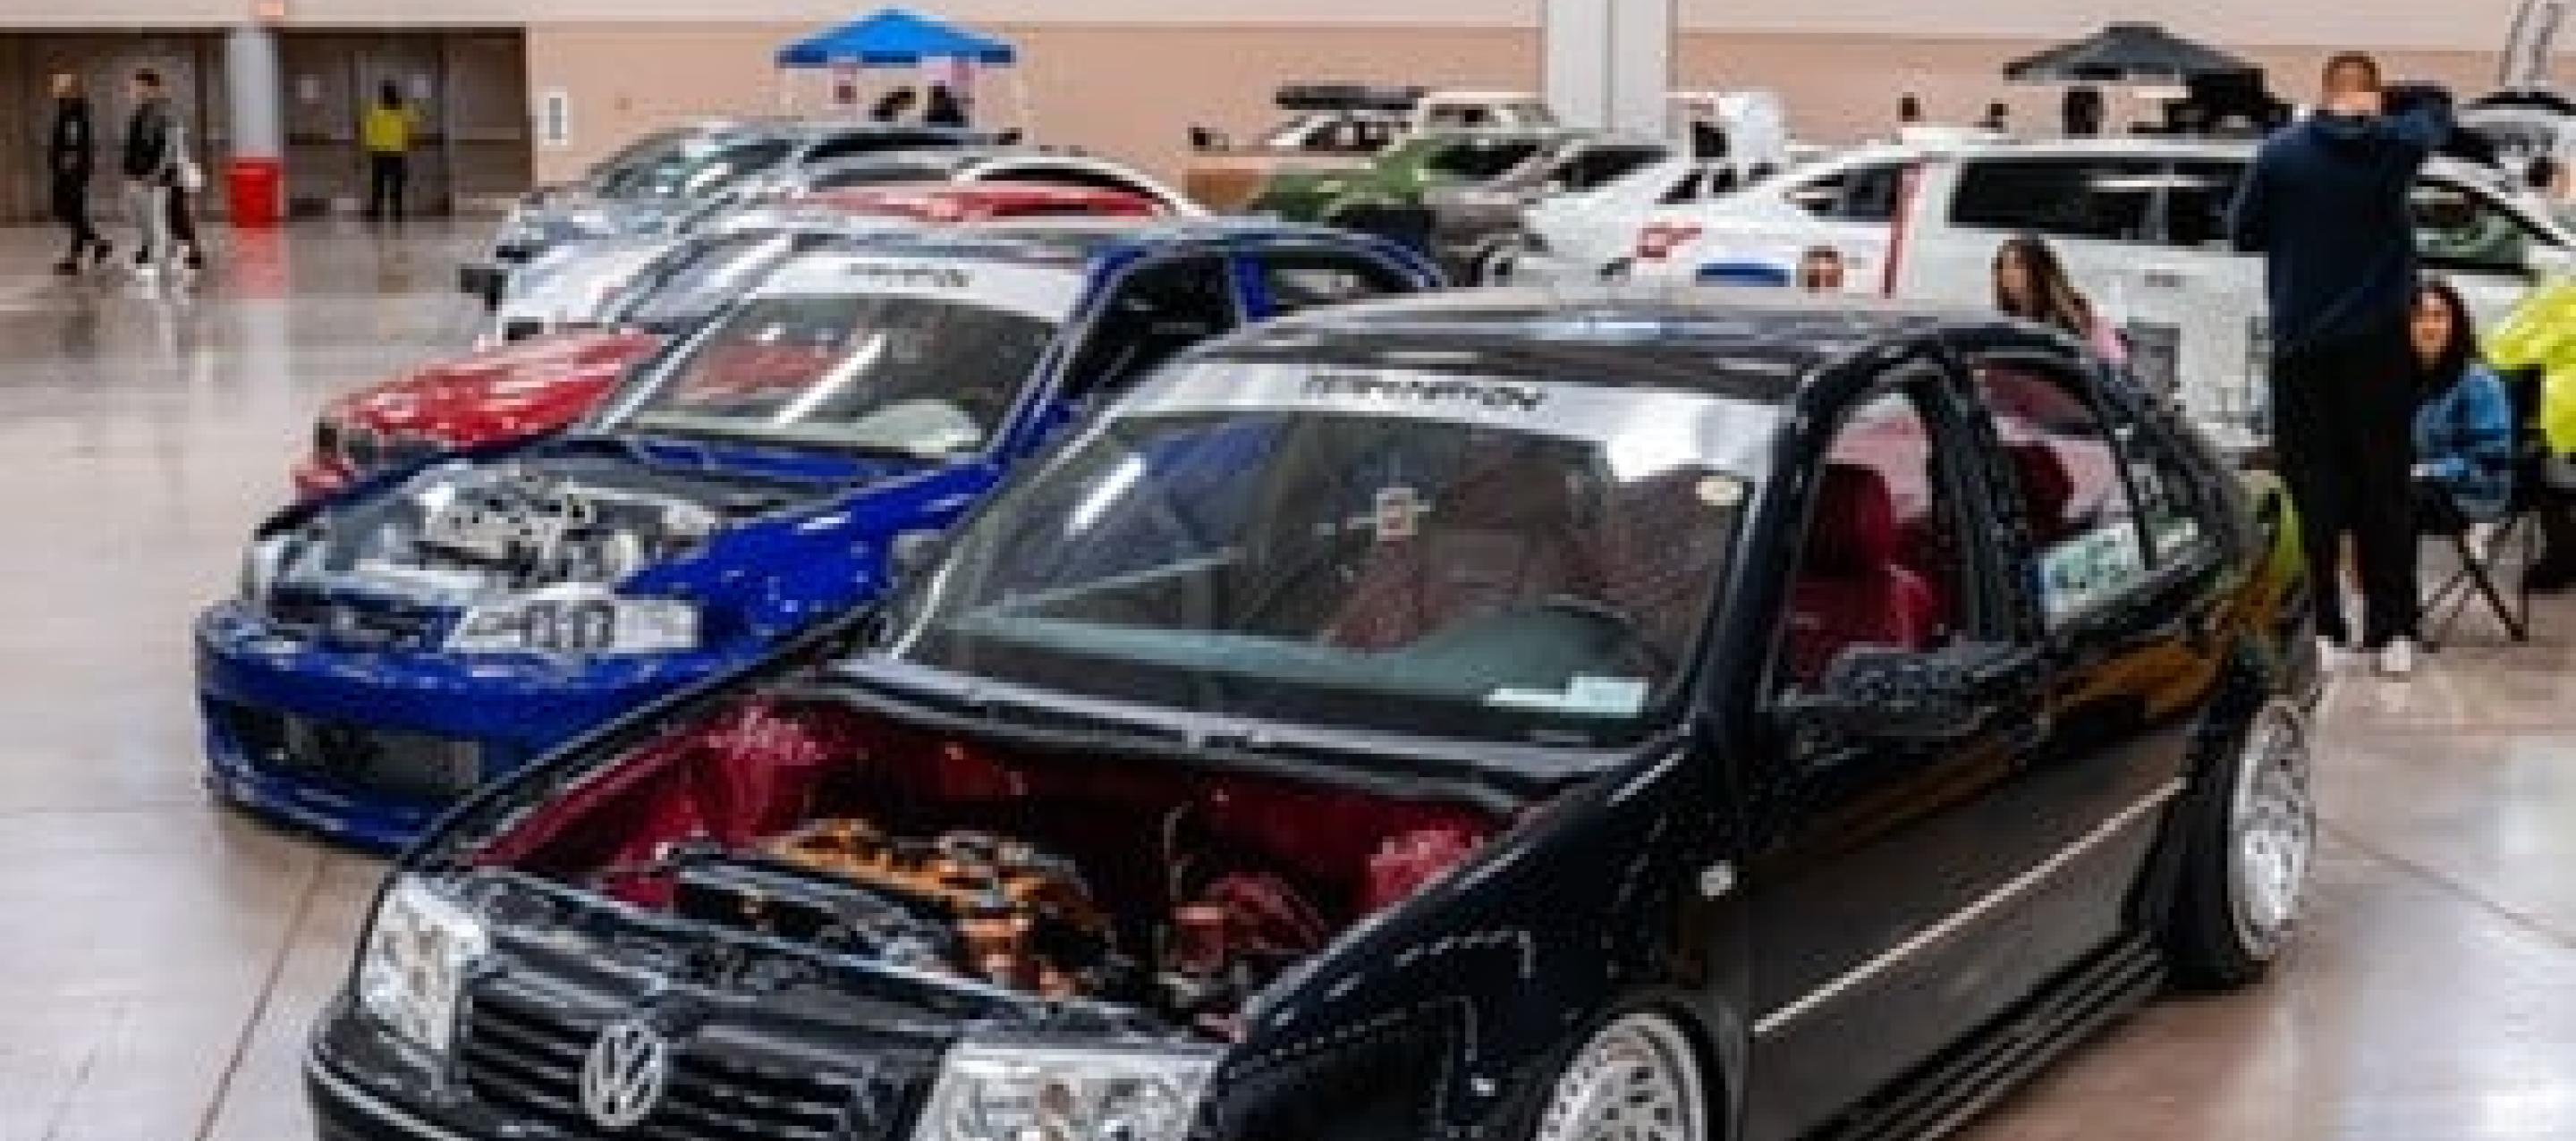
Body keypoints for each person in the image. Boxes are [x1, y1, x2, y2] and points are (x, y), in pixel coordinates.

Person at [2229, 52, 2453, 678]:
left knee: (2312, 490)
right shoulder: (2395, 146)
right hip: (2379, 345)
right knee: (2386, 488)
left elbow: (2244, 232)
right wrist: (2385, 105)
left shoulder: (2280, 154)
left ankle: (2322, 627)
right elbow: (2438, 103)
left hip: (2301, 344)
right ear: (2373, 95)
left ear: (2325, 91)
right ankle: (2392, 630)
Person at [2410, 279, 2516, 537]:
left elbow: (2489, 460)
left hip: (2473, 492)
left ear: (2455, 324)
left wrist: (2428, 471)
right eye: (2419, 317)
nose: (2428, 326)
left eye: (2439, 316)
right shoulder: (2406, 379)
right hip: (2422, 483)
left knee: (2386, 506)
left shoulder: (2478, 382)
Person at [1992, 233, 2127, 365]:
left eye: (2017, 265)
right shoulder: (2003, 319)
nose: (2008, 273)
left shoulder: (2081, 313)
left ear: (2038, 268)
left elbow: (2114, 364)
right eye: (2003, 265)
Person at [47, 72, 110, 275]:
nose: (53, 88)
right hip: (67, 169)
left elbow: (75, 141)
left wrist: (70, 166)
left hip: (71, 171)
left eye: (58, 84)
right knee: (72, 213)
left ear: (69, 89)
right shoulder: (66, 108)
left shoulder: (74, 111)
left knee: (69, 211)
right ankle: (97, 245)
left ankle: (77, 257)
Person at [121, 68, 180, 279]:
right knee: (142, 218)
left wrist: (157, 173)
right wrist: (130, 173)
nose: (134, 91)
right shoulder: (139, 113)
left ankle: (164, 262)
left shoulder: (164, 113)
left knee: (158, 221)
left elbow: (170, 147)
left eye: (137, 86)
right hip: (138, 176)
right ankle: (149, 252)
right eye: (133, 87)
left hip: (155, 179)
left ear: (150, 88)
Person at [362, 81, 417, 224]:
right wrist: (408, 145)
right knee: (397, 185)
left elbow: (368, 132)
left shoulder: (375, 112)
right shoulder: (403, 112)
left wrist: (368, 147)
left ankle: (376, 213)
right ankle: (398, 212)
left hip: (379, 153)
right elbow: (411, 130)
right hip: (397, 153)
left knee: (378, 185)